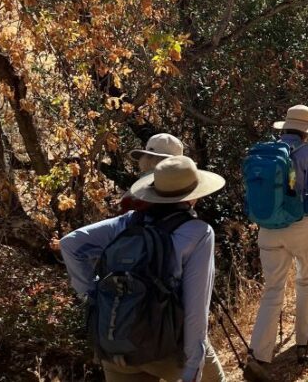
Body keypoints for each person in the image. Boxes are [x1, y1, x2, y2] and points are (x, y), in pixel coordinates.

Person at [59, 156, 224, 382]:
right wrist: (193, 365)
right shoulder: (199, 233)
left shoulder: (127, 223)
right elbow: (196, 307)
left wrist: (91, 294)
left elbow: (70, 244)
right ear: (194, 196)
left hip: (116, 344)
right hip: (166, 347)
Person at [244, 106, 308, 379]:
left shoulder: (264, 153)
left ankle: (259, 355)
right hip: (299, 227)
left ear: (284, 128)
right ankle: (303, 344)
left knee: (272, 290)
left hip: (268, 230)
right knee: (306, 282)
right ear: (307, 131)